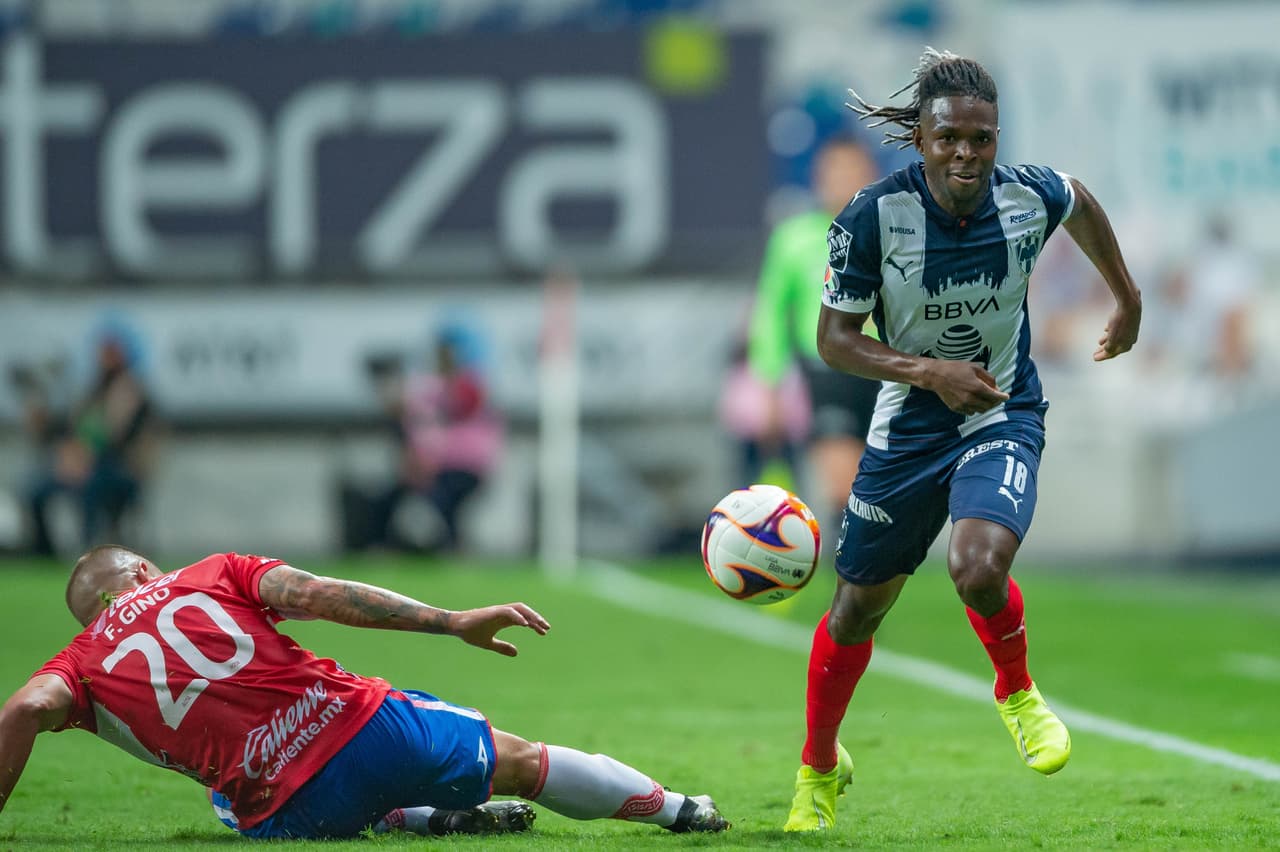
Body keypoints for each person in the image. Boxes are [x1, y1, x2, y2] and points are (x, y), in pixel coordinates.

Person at [784, 48, 1142, 832]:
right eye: (949, 138)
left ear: (996, 138)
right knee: (854, 613)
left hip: (1000, 412)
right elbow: (834, 340)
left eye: (982, 139)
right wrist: (927, 372)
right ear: (920, 138)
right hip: (908, 429)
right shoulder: (873, 216)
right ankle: (818, 767)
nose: (966, 154)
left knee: (978, 567)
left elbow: (1080, 200)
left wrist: (1128, 297)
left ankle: (1017, 692)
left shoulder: (1026, 196)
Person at [0, 546, 730, 838]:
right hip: (364, 729)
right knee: (517, 760)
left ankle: (418, 819)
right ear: (139, 574)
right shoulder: (210, 573)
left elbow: (25, 709)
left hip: (283, 813)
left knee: (224, 798)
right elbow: (320, 595)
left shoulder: (80, 662)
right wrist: (452, 621)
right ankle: (681, 810)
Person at [748, 135, 883, 533]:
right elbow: (771, 311)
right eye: (834, 172)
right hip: (829, 369)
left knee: (880, 484)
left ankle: (870, 554)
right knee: (843, 483)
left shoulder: (895, 232)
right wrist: (769, 382)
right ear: (818, 179)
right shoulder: (794, 238)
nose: (843, 181)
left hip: (891, 368)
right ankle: (847, 558)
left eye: (853, 171)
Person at [365, 321, 504, 553]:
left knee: (443, 504)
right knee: (397, 501)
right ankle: (391, 546)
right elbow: (410, 416)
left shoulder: (468, 386)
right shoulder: (429, 387)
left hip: (463, 466)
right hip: (432, 466)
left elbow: (462, 406)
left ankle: (447, 548)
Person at [25, 324, 157, 556]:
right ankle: (44, 550)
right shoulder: (92, 390)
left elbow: (114, 435)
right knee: (36, 490)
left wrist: (84, 457)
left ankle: (88, 549)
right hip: (84, 464)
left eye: (111, 351)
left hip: (118, 467)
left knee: (91, 488)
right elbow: (74, 429)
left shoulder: (130, 388)